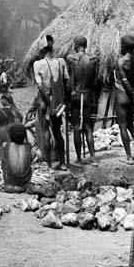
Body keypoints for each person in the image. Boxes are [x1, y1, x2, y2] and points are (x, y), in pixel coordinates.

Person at [33, 34, 69, 170]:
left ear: (42, 49)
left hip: (44, 102)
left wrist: (49, 103)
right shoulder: (61, 62)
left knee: (45, 132)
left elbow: (40, 86)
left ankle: (48, 164)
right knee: (58, 132)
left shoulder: (38, 64)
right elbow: (67, 82)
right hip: (59, 103)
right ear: (52, 46)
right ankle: (63, 163)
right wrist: (62, 102)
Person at [114, 35, 134, 165]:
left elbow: (125, 82)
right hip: (133, 94)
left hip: (123, 95)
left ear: (123, 46)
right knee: (130, 124)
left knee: (122, 126)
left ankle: (128, 157)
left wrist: (132, 97)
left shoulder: (121, 61)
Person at [66, 36, 98, 166]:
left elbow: (69, 79)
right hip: (88, 95)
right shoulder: (94, 59)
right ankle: (93, 158)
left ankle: (79, 159)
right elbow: (94, 80)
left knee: (76, 128)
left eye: (74, 44)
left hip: (76, 96)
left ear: (77, 45)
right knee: (88, 127)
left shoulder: (71, 59)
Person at [1, 123, 32, 193]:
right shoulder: (28, 146)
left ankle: (10, 185)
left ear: (10, 135)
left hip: (10, 181)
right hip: (24, 182)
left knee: (4, 161)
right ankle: (21, 187)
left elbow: (4, 162)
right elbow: (31, 160)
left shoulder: (5, 145)